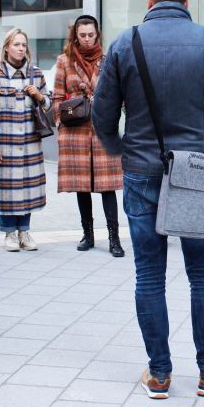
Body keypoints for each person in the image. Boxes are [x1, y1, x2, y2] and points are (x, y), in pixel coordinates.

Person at [92, 0, 204, 400]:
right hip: (195, 167)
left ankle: (159, 375)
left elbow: (103, 115)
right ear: (186, 1)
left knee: (149, 275)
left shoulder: (126, 42)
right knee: (202, 275)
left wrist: (122, 150)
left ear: (149, 0)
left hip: (142, 169)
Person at [52, 15, 125, 257]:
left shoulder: (108, 60)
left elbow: (119, 95)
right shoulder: (64, 61)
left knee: (108, 187)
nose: (86, 39)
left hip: (103, 131)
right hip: (75, 132)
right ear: (75, 35)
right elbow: (57, 97)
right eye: (81, 35)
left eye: (90, 35)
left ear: (97, 34)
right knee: (81, 186)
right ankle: (88, 234)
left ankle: (114, 238)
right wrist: (61, 121)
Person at [0, 28, 49, 251]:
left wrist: (39, 96)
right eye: (16, 44)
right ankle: (9, 233)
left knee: (28, 187)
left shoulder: (36, 74)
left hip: (30, 142)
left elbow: (49, 105)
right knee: (6, 188)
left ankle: (24, 231)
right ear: (6, 47)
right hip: (5, 143)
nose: (20, 49)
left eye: (23, 45)